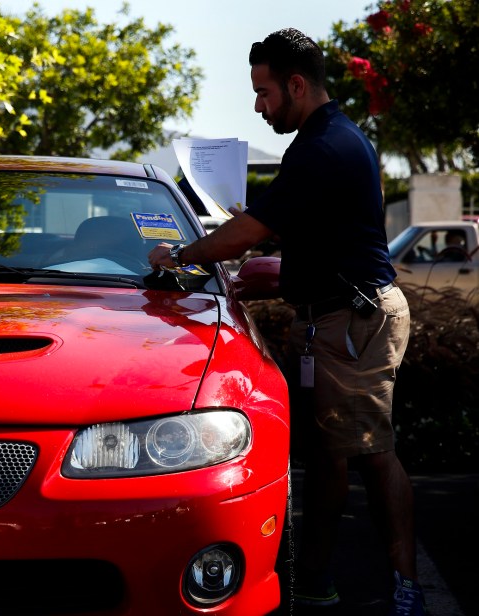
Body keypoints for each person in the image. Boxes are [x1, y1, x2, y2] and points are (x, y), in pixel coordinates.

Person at [148, 28, 423, 615]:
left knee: (373, 450)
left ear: (297, 85)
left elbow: (250, 232)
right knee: (331, 452)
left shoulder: (320, 147)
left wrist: (178, 257)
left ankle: (407, 589)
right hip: (337, 317)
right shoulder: (336, 138)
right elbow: (293, 228)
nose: (257, 105)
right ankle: (317, 578)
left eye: (264, 91)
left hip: (353, 320)